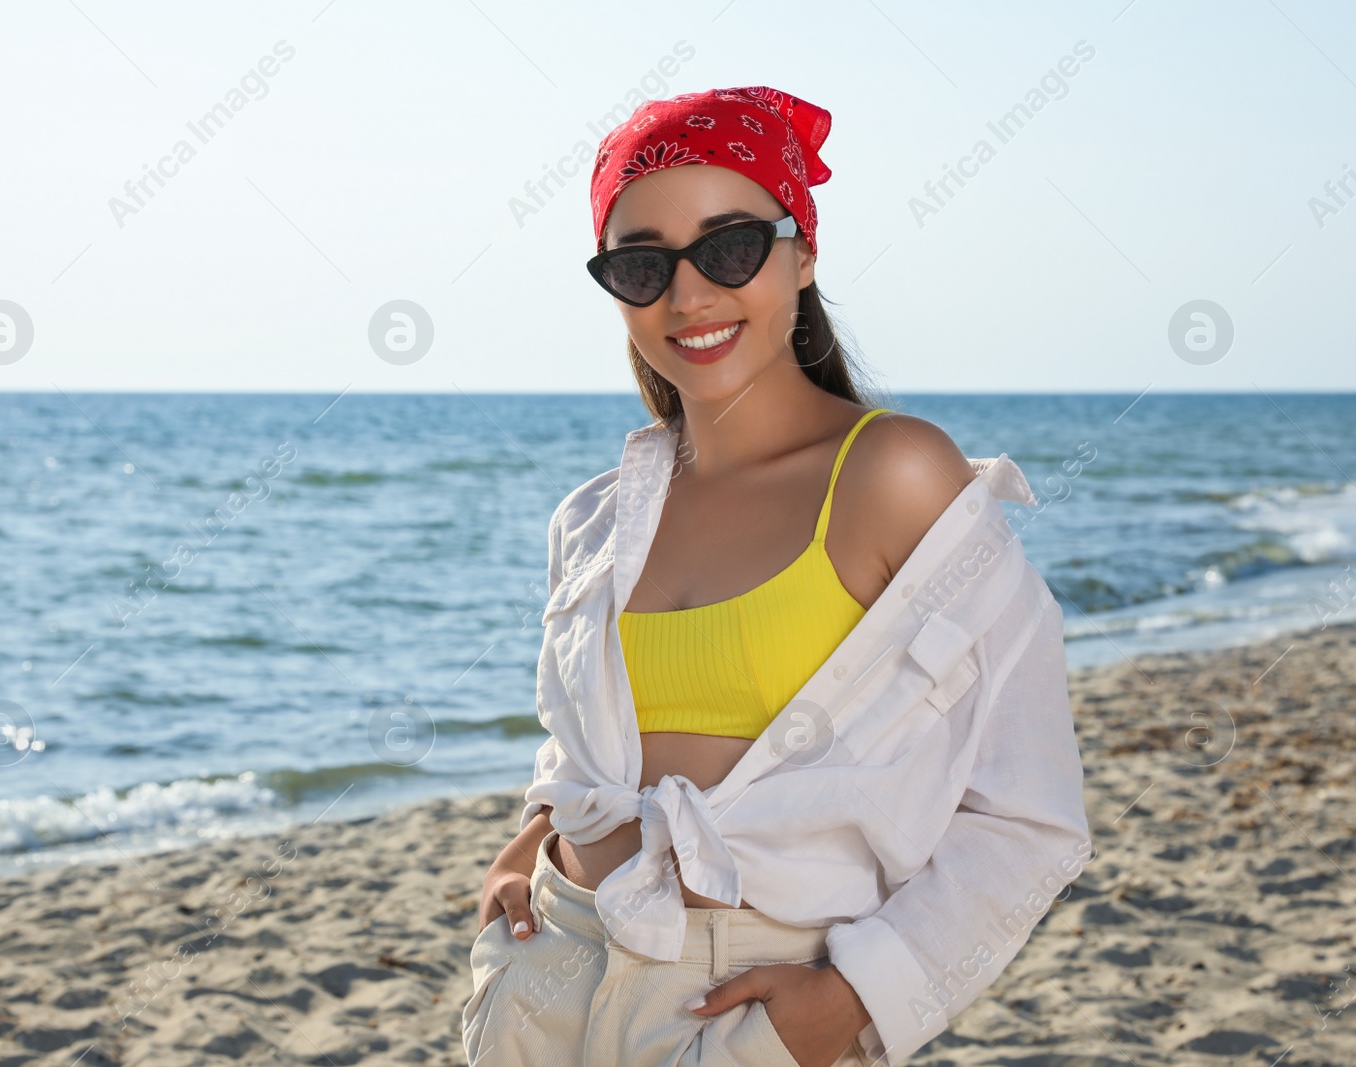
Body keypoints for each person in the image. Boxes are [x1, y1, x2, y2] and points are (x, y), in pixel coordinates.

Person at [462, 85, 1092, 1067]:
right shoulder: (591, 517)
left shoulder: (896, 474)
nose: (688, 294)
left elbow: (1026, 809)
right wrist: (527, 843)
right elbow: (581, 745)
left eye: (729, 246)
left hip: (738, 997)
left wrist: (849, 998)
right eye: (641, 262)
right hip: (546, 969)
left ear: (801, 253)